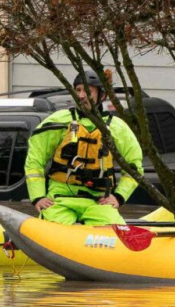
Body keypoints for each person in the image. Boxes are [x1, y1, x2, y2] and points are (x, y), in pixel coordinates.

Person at [23, 70, 143, 226]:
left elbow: (134, 167)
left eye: (87, 91)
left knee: (115, 230)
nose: (80, 96)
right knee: (55, 229)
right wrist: (38, 197)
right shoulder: (58, 121)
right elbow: (35, 160)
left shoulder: (117, 128)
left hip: (98, 203)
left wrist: (118, 197)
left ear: (102, 95)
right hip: (60, 200)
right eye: (77, 90)